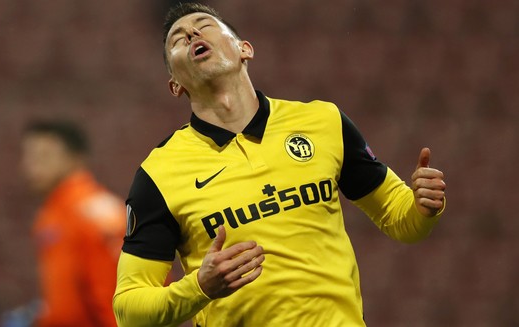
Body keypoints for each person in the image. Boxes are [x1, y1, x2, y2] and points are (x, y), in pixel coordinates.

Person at [113, 3, 446, 326]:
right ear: (175, 86)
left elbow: (398, 217)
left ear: (245, 49)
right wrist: (198, 288)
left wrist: (421, 208)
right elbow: (128, 310)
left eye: (205, 25)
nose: (191, 34)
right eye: (177, 39)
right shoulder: (159, 173)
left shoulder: (323, 121)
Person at [20, 119, 126, 327]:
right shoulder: (53, 212)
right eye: (29, 156)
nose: (30, 166)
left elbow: (113, 293)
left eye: (44, 156)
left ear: (75, 159)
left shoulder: (93, 213)